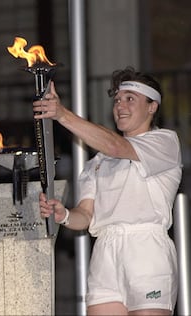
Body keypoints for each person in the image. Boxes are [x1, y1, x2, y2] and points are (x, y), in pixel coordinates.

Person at [33, 67, 182, 315]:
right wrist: (64, 215)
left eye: (130, 99)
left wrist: (62, 115)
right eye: (117, 100)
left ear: (152, 106)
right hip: (105, 252)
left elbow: (116, 146)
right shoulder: (98, 162)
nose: (120, 106)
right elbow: (86, 214)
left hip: (146, 249)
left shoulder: (164, 143)